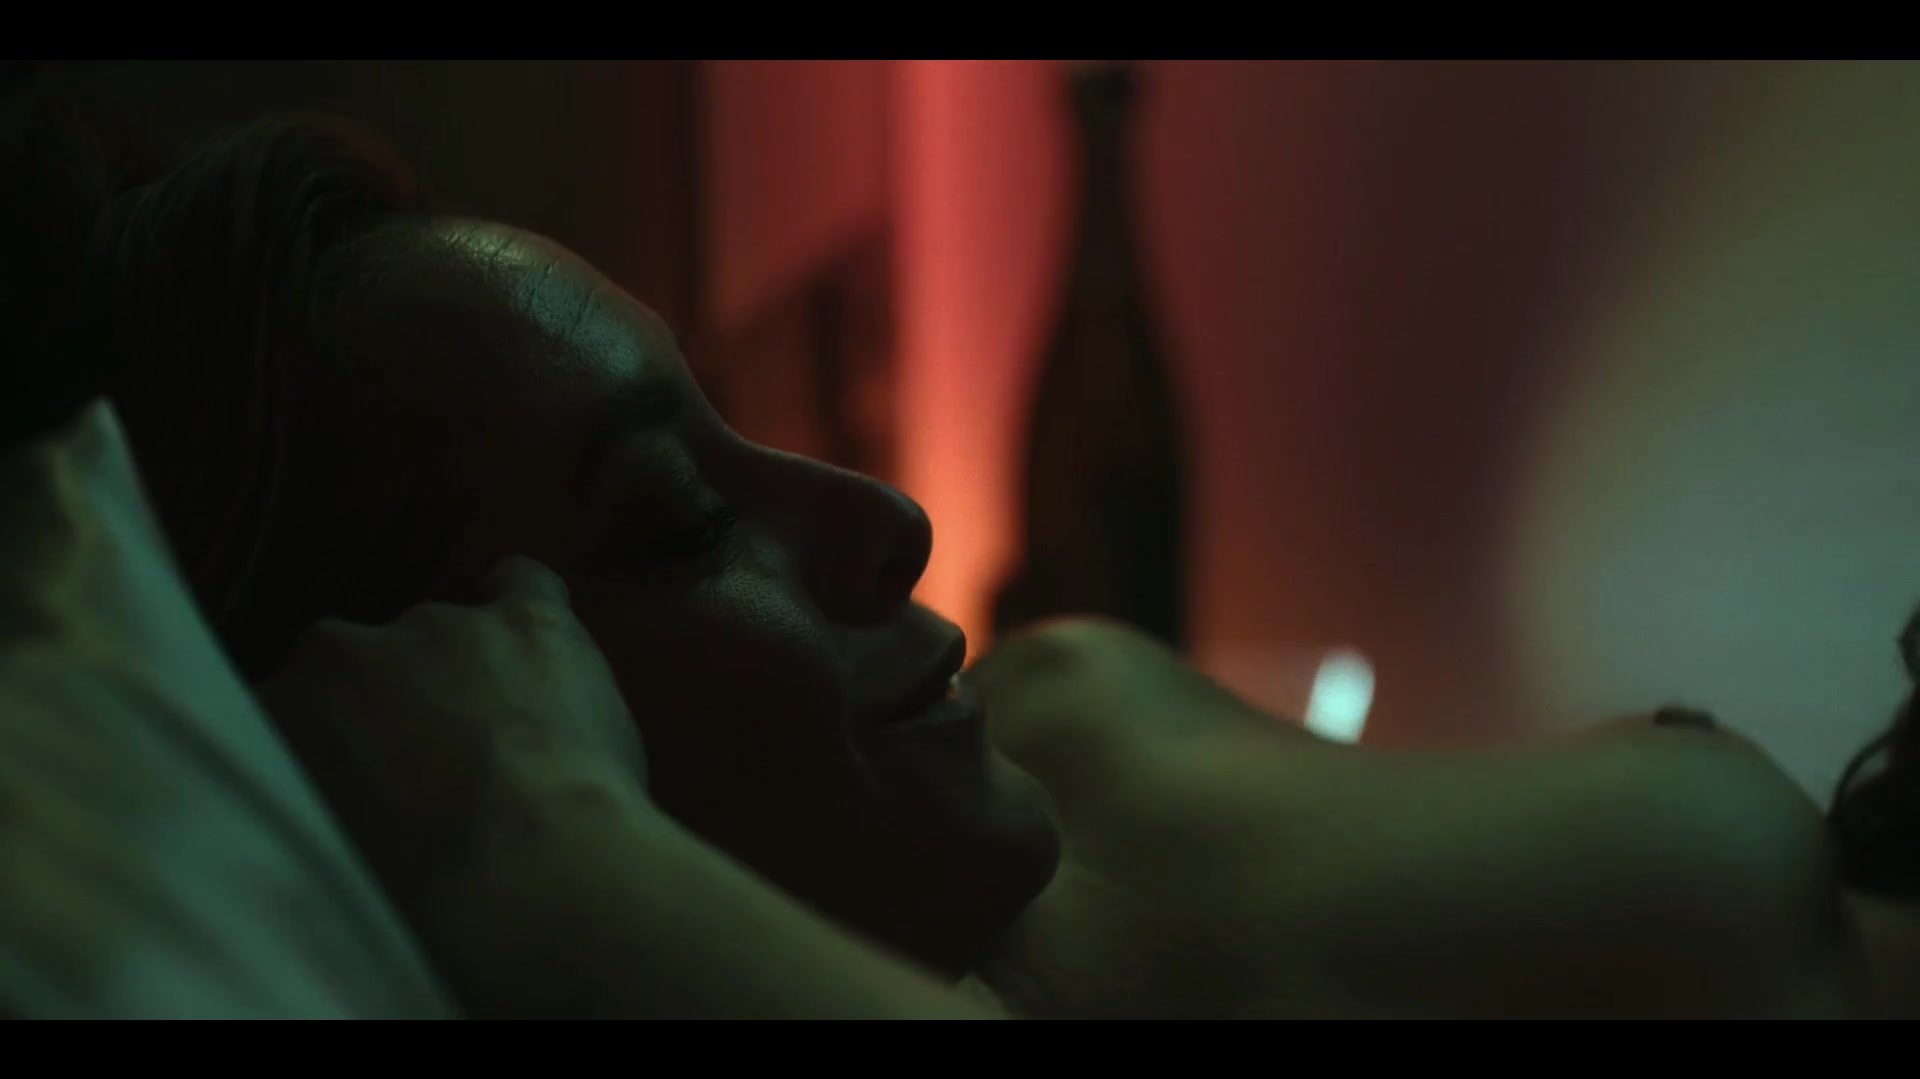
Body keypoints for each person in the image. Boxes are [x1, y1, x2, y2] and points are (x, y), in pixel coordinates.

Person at [9, 82, 1919, 1018]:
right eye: (676, 522)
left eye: (728, 427)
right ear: (455, 715)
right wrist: (552, 849)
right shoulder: (556, 874)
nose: (896, 531)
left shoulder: (1063, 716)